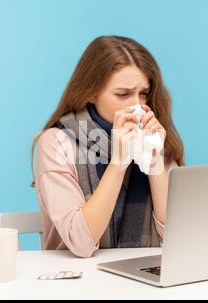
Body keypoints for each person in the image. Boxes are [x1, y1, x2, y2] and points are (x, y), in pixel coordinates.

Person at [30, 35, 185, 258]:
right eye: (123, 94)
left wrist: (155, 162)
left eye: (144, 93)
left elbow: (176, 235)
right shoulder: (57, 143)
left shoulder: (155, 138)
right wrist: (119, 161)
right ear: (91, 93)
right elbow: (81, 242)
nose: (137, 105)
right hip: (75, 280)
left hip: (138, 276)